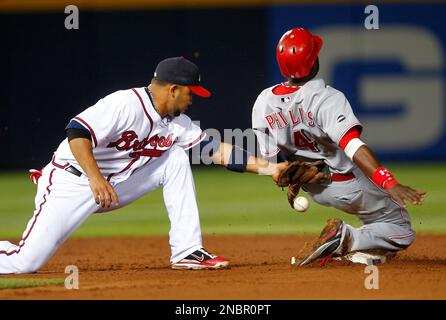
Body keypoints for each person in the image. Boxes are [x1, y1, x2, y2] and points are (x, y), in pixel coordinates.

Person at [0, 57, 288, 274]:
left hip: (112, 186)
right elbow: (77, 132)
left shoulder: (177, 124)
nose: (192, 100)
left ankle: (187, 250)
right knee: (25, 263)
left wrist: (272, 169)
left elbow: (216, 152)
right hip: (73, 181)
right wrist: (95, 177)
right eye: (190, 93)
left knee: (174, 157)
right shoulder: (125, 104)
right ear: (174, 89)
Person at [252, 28, 426, 266]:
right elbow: (353, 145)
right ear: (314, 61)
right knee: (402, 230)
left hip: (315, 188)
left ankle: (362, 251)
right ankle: (346, 237)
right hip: (347, 183)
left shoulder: (263, 102)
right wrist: (389, 182)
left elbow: (273, 166)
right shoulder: (326, 98)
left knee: (376, 223)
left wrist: (292, 179)